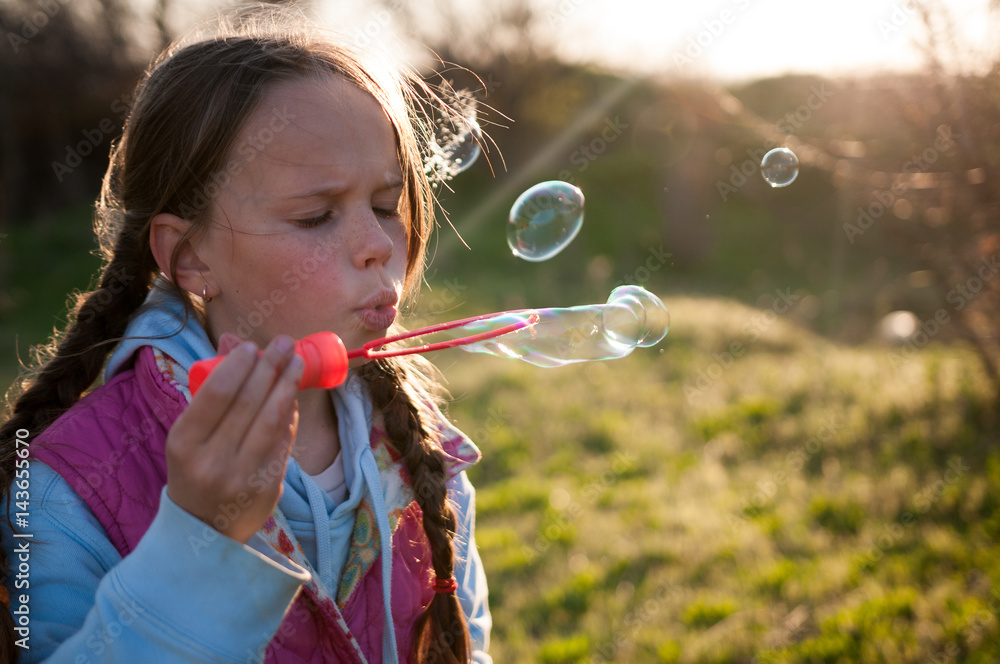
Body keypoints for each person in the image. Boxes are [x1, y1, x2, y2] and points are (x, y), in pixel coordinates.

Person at [0, 7, 492, 663]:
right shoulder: (68, 486)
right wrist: (205, 539)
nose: (379, 245)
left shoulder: (423, 448)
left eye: (384, 205)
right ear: (190, 257)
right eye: (317, 216)